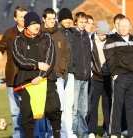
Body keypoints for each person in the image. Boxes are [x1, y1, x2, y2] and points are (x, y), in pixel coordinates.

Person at [12, 12, 61, 138]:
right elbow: (19, 59)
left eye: (38, 23)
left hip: (45, 79)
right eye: (33, 24)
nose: (37, 26)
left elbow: (50, 59)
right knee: (27, 113)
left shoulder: (47, 38)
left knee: (53, 108)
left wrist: (40, 76)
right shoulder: (18, 40)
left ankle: (56, 134)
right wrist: (37, 65)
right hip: (26, 81)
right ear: (27, 26)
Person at [103, 17, 133, 138]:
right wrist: (115, 74)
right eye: (121, 26)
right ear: (117, 26)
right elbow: (110, 58)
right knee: (117, 106)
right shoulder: (111, 40)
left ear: (130, 27)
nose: (123, 28)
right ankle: (115, 133)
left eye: (126, 26)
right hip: (120, 77)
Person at [0, 6, 28, 138]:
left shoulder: (34, 32)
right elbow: (0, 46)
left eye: (25, 16)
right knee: (16, 111)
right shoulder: (9, 33)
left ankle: (32, 135)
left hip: (29, 78)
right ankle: (17, 136)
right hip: (13, 77)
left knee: (30, 110)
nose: (23, 19)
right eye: (20, 16)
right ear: (15, 18)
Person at [41, 8, 70, 138]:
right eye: (49, 19)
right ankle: (44, 134)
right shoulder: (39, 34)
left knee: (59, 107)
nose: (52, 21)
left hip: (58, 77)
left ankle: (60, 134)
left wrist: (63, 73)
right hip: (42, 78)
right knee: (43, 108)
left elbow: (66, 55)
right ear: (44, 19)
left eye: (54, 18)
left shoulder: (60, 35)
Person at [87, 21, 111, 138]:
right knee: (93, 105)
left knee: (107, 105)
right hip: (95, 77)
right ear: (98, 31)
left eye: (106, 34)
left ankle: (107, 129)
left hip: (108, 78)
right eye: (103, 34)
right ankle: (91, 130)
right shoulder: (90, 40)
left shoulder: (110, 40)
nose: (104, 37)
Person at [71, 12, 91, 138]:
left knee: (83, 109)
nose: (83, 24)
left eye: (85, 22)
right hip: (76, 76)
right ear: (76, 22)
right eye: (81, 21)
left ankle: (83, 133)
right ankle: (72, 132)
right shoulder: (72, 35)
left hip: (86, 77)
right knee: (74, 109)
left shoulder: (86, 37)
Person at [57, 8, 77, 138]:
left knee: (70, 103)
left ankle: (68, 131)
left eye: (70, 19)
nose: (68, 21)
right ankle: (59, 131)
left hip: (71, 72)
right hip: (60, 73)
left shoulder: (71, 33)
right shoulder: (57, 33)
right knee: (60, 105)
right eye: (66, 19)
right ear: (60, 20)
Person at [84, 14, 94, 123]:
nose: (91, 26)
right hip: (81, 75)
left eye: (92, 24)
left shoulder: (92, 38)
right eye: (88, 23)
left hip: (91, 75)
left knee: (89, 103)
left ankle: (86, 127)